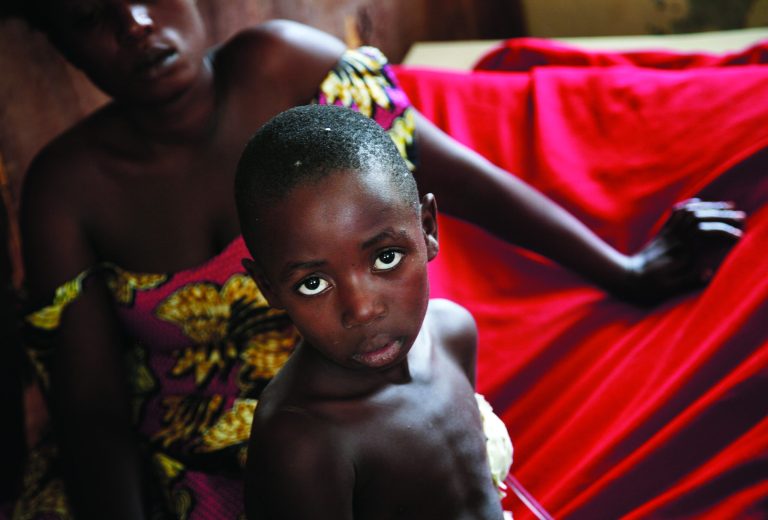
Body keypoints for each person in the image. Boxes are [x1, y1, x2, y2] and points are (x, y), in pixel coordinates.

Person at [3, 0, 743, 518]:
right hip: (183, 471)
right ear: (58, 41)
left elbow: (449, 179)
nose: (135, 25)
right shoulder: (67, 190)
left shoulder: (292, 65)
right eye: (90, 16)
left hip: (377, 400)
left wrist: (626, 269)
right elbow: (92, 417)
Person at [236, 103, 512, 519]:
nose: (362, 309)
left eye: (386, 257)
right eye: (313, 283)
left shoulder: (453, 333)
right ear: (269, 288)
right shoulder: (302, 439)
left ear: (429, 230)